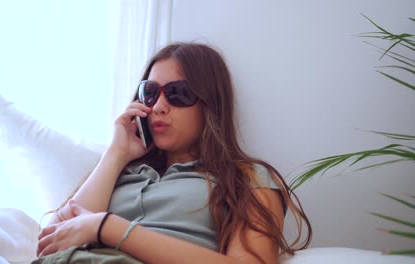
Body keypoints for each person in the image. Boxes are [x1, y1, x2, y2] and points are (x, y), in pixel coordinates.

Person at [35, 42, 312, 264]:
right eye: (150, 93)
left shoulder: (246, 176)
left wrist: (107, 227)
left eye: (178, 93)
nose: (159, 106)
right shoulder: (121, 170)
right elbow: (51, 243)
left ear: (210, 104)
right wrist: (116, 153)